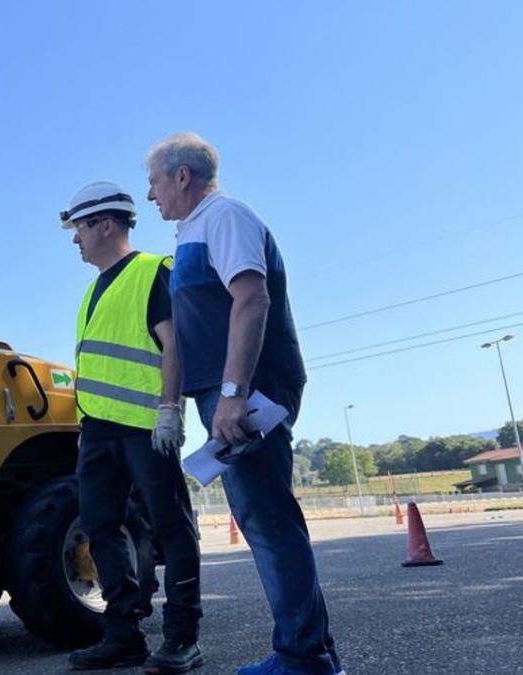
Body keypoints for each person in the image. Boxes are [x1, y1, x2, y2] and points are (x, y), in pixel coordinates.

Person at [145, 132, 344, 675]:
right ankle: (312, 653)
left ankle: (304, 657)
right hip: (226, 390)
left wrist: (232, 394)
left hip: (249, 390)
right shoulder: (195, 230)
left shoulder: (224, 216)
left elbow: (251, 298)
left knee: (269, 520)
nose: (150, 195)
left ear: (181, 175)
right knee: (266, 518)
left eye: (154, 182)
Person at [62, 181, 203, 672]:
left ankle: (183, 638)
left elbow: (174, 344)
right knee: (100, 528)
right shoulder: (92, 291)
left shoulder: (152, 271)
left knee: (171, 527)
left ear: (105, 224)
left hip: (146, 427)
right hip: (98, 431)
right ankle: (123, 634)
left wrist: (171, 408)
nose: (74, 238)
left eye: (79, 228)